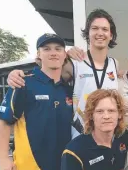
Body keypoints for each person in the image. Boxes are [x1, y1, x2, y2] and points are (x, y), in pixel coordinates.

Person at [0, 33, 72, 170]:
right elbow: (3, 121)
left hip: (61, 169)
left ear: (65, 54)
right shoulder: (23, 84)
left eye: (58, 48)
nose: (53, 53)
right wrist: (3, 157)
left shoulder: (68, 88)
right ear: (38, 55)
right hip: (29, 169)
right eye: (47, 49)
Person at [7, 9, 120, 138]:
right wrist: (16, 74)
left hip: (108, 136)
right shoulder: (74, 62)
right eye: (95, 28)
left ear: (111, 35)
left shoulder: (114, 64)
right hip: (81, 137)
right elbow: (48, 71)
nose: (100, 33)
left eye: (104, 29)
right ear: (88, 33)